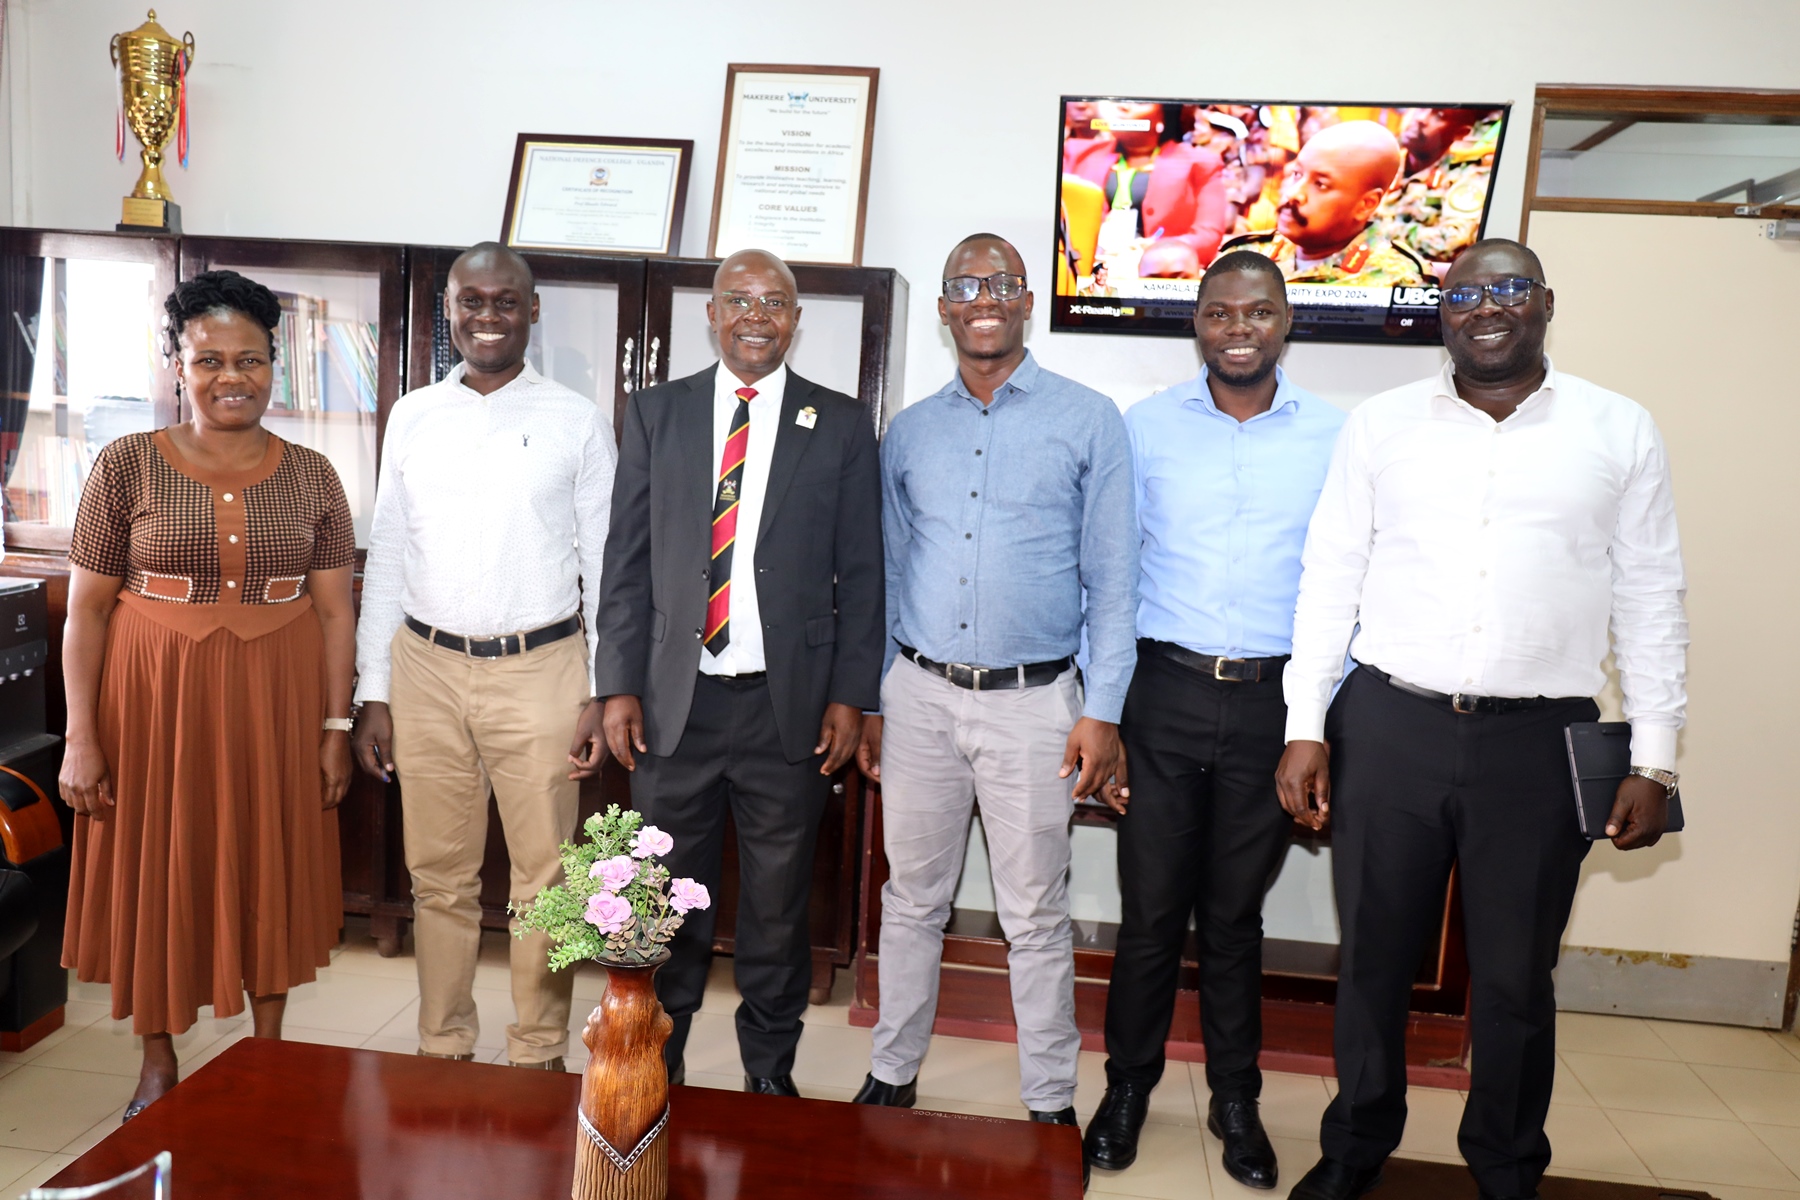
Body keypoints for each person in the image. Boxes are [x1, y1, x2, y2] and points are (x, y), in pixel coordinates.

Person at [1275, 240, 1687, 1200]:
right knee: (1373, 963)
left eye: (1508, 289)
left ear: (1545, 302)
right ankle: (1355, 1150)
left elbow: (1653, 596)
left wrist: (1655, 758)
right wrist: (1306, 723)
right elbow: (1330, 578)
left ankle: (1504, 1166)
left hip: (1540, 746)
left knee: (1512, 980)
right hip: (1389, 726)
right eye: (1465, 293)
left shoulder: (1618, 429)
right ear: (1440, 310)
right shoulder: (1381, 427)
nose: (1486, 308)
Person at [854, 233, 1137, 1136]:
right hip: (922, 697)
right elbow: (889, 574)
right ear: (943, 309)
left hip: (1036, 704)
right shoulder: (911, 430)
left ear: (1027, 302)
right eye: (966, 286)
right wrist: (875, 695)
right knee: (910, 900)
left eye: (1003, 283)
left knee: (1036, 914)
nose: (985, 298)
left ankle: (1050, 1099)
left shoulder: (1090, 420)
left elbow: (1116, 584)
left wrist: (1102, 711)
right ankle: (893, 1071)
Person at [60, 270, 356, 1118]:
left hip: (279, 693)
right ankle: (158, 1059)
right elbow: (84, 612)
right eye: (210, 359)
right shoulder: (124, 465)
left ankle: (268, 1052)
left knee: (271, 854)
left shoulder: (314, 475)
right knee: (160, 861)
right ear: (176, 365)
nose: (233, 376)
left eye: (252, 359)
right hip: (153, 694)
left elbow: (336, 613)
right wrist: (82, 735)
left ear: (276, 368)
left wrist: (336, 726)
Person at [594, 249, 883, 1096]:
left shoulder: (836, 423)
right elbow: (627, 562)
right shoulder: (658, 414)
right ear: (712, 314)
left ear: (796, 320)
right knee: (668, 904)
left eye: (776, 303)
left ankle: (769, 1075)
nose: (757, 316)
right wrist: (617, 682)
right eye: (740, 300)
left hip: (786, 711)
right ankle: (660, 1068)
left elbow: (864, 574)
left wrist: (851, 697)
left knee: (777, 909)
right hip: (674, 706)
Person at [1085, 250, 1345, 1189]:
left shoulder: (1336, 434)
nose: (1240, 329)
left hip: (1278, 705)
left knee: (1234, 919)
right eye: (1221, 313)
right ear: (1196, 324)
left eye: (1259, 313)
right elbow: (1111, 579)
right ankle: (1125, 1092)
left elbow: (1346, 584)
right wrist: (1103, 713)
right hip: (1165, 695)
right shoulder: (1144, 428)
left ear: (1287, 322)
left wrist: (1322, 721)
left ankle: (1238, 1103)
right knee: (1151, 916)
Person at [352, 242, 615, 1071]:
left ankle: (537, 1053)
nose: (488, 316)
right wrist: (374, 689)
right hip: (425, 666)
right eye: (472, 302)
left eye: (506, 302)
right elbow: (388, 553)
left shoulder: (576, 418)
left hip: (542, 669)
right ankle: (443, 1046)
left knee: (546, 881)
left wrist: (603, 692)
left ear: (532, 311)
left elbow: (607, 566)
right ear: (451, 312)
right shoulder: (413, 415)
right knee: (438, 876)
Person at [1223, 119, 1427, 287]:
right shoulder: (1244, 256)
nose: (1294, 194)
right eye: (1297, 174)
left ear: (1366, 204)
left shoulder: (1397, 280)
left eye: (1320, 184)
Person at [1064, 101, 1233, 278]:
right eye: (1117, 100)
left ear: (1164, 115)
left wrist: (1152, 251)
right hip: (1087, 272)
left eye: (1139, 102)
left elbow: (1208, 236)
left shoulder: (1200, 163)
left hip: (1160, 275)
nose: (1122, 107)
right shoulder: (1077, 155)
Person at [1376, 108, 1505, 273]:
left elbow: (1449, 242)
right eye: (1421, 109)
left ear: (1460, 133)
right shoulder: (1380, 162)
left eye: (1439, 116)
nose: (1421, 119)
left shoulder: (1466, 174)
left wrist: (1375, 232)